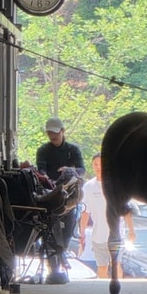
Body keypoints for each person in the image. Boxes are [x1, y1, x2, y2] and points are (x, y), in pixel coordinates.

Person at [36, 116, 85, 283]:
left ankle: (62, 251)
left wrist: (69, 170)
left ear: (62, 132)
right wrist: (44, 176)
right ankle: (54, 267)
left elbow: (81, 170)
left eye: (55, 133)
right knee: (50, 229)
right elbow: (41, 168)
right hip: (51, 191)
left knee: (68, 229)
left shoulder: (73, 150)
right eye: (50, 133)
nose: (52, 136)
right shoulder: (43, 150)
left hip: (68, 195)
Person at [78, 154, 135, 279]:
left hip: (116, 235)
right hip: (97, 236)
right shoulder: (88, 187)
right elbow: (85, 212)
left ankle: (116, 291)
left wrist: (131, 230)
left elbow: (125, 210)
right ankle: (103, 292)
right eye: (95, 164)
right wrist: (81, 234)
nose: (98, 167)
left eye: (101, 164)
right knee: (102, 267)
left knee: (115, 264)